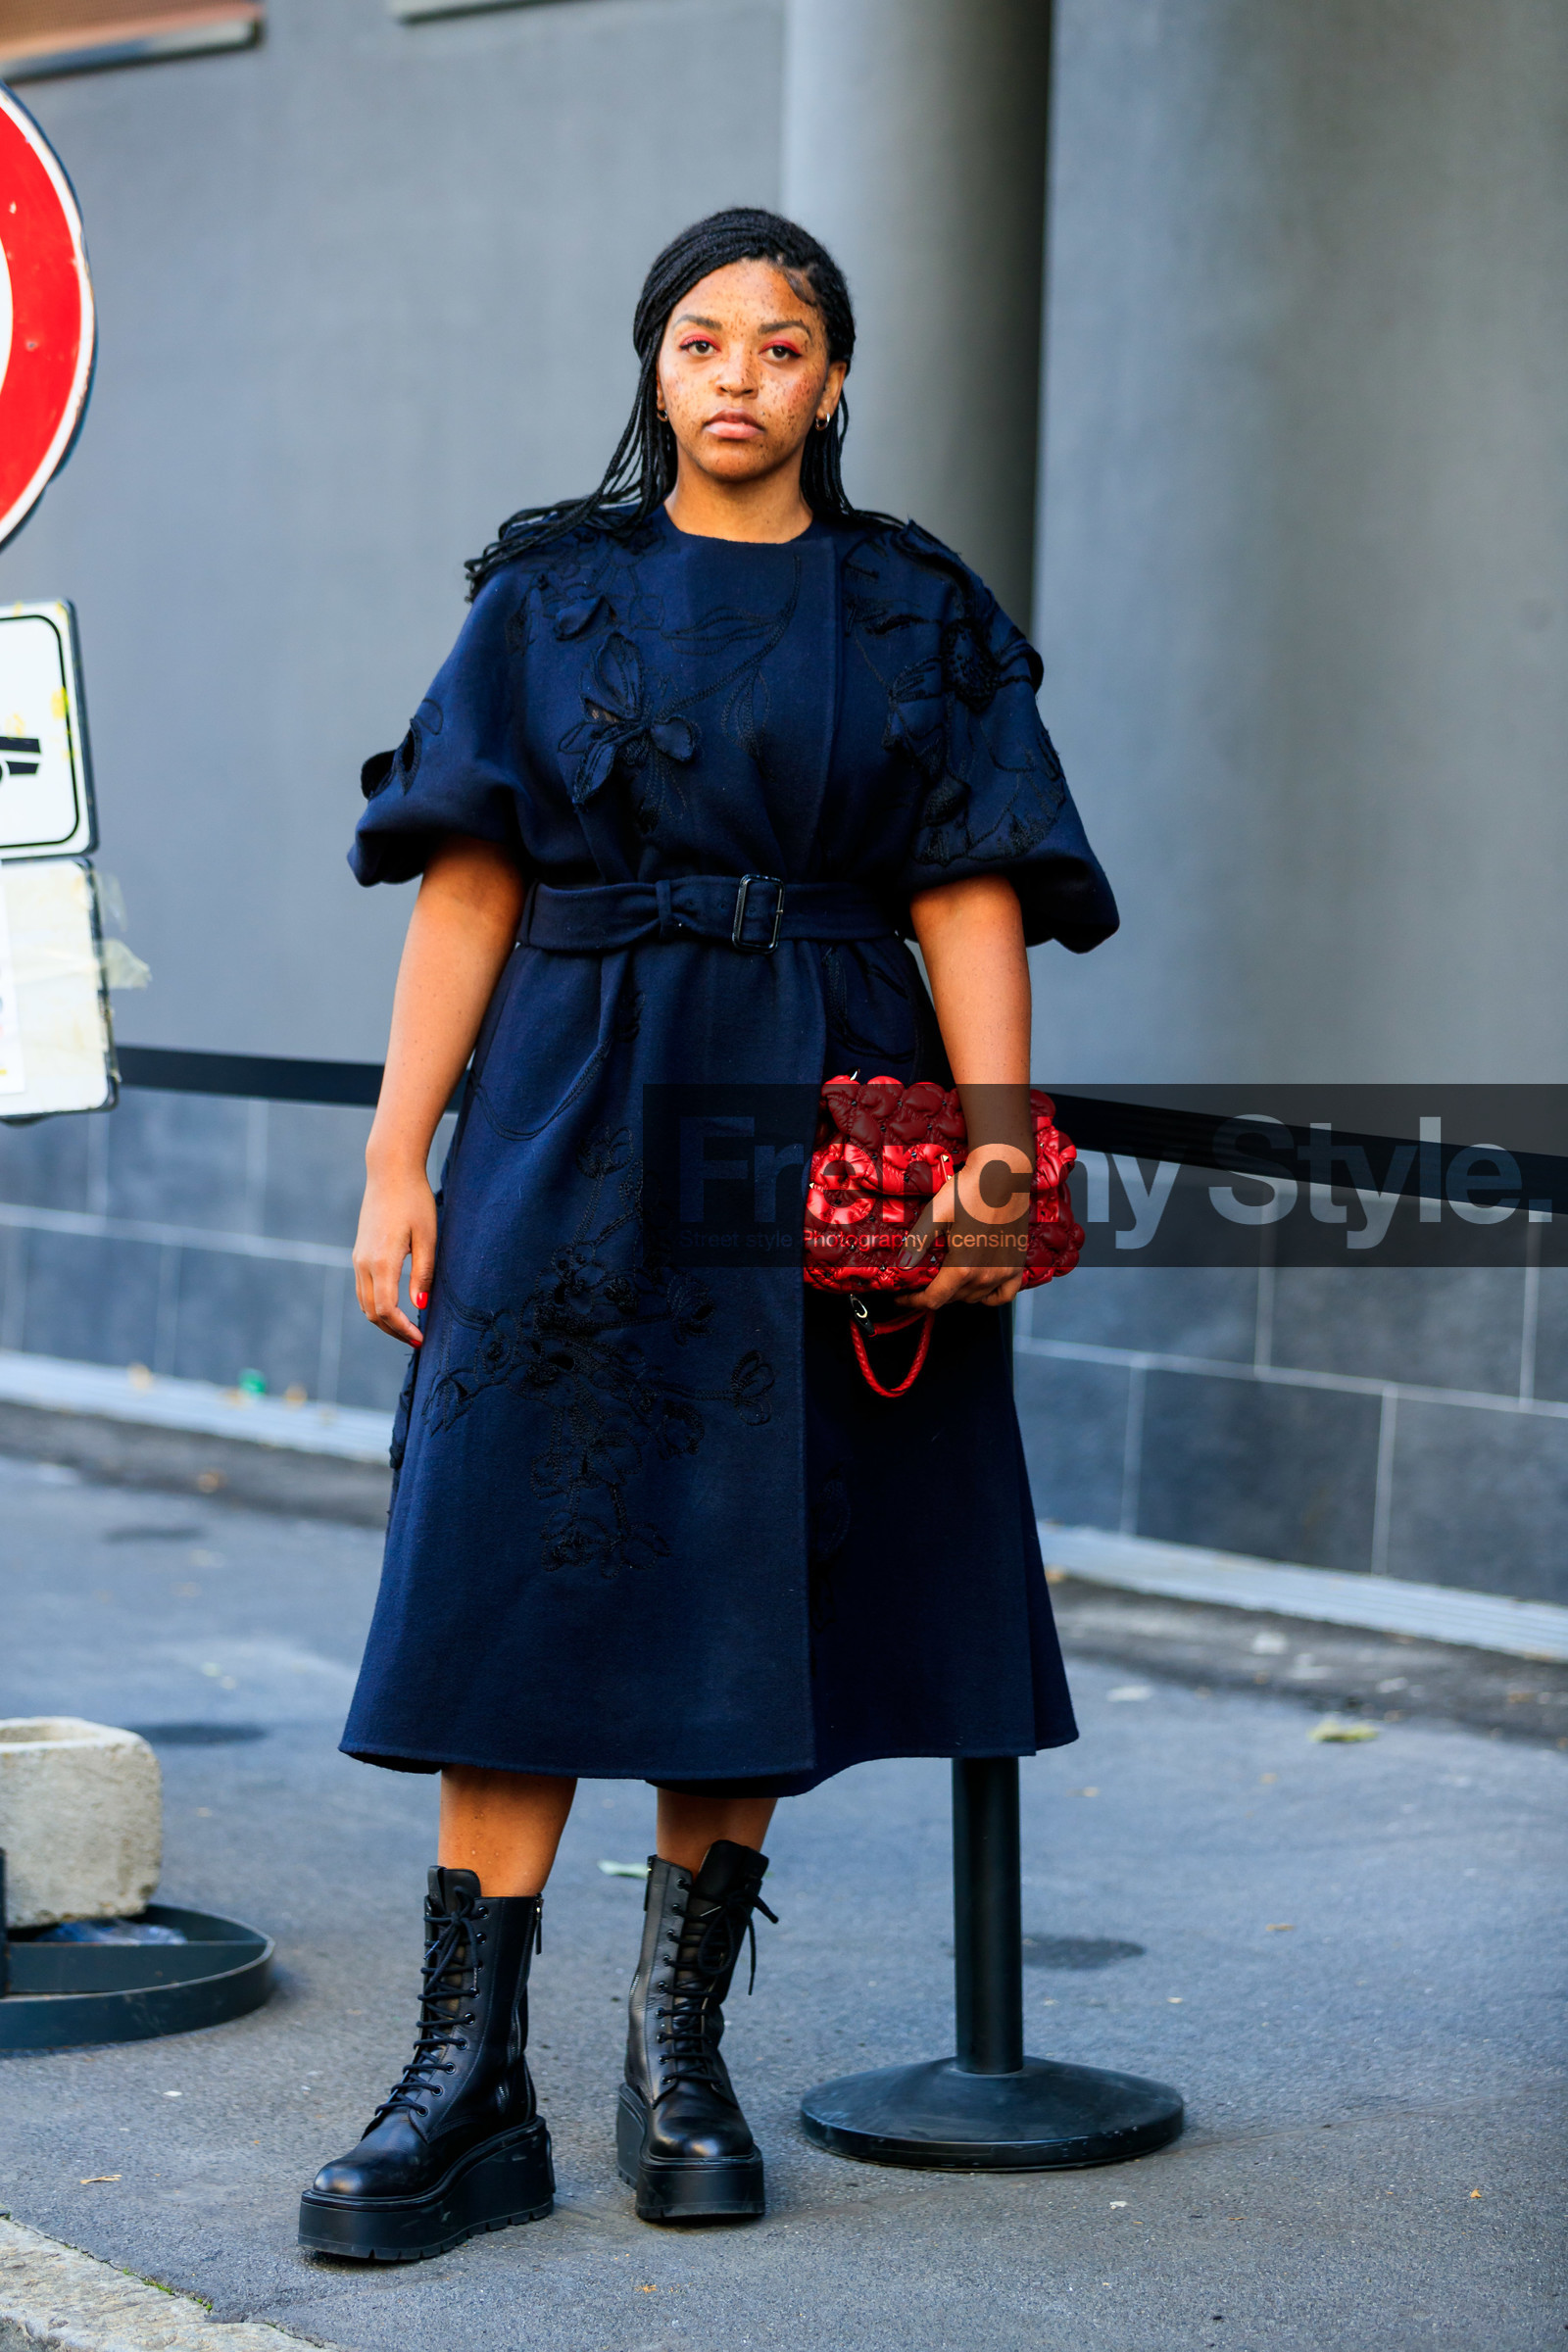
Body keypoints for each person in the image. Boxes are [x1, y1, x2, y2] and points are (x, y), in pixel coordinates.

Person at [297, 207, 1116, 2263]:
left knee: (753, 1545)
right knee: (514, 1538)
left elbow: (968, 885)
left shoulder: (912, 607)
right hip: (566, 1093)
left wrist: (996, 1147)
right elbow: (464, 885)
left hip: (816, 1110)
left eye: (782, 341)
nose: (738, 372)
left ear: (833, 379)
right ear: (652, 368)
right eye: (699, 338)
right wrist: (399, 1160)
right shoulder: (543, 596)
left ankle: (677, 2054)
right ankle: (460, 2079)